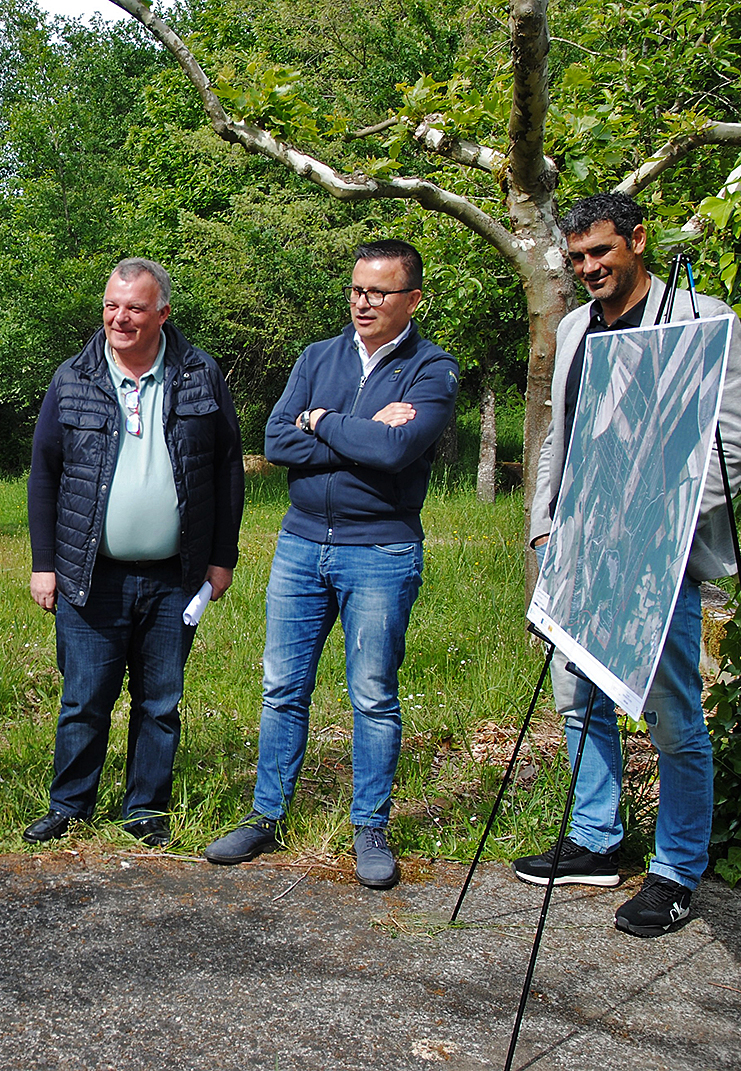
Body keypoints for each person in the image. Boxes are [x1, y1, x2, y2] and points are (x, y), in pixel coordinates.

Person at [515, 192, 741, 937]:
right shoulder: (578, 329)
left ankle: (678, 871)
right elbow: (561, 437)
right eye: (578, 256)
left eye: (601, 252)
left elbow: (736, 454)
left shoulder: (702, 320)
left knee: (675, 718)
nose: (590, 268)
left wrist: (648, 520)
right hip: (578, 555)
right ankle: (595, 837)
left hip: (662, 559)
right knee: (578, 701)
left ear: (638, 240)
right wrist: (545, 530)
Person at [205, 240, 456, 889]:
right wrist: (355, 428)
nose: (363, 302)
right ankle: (266, 815)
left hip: (381, 550)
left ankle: (369, 824)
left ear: (413, 299)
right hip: (299, 544)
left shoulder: (433, 369)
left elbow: (399, 449)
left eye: (379, 292)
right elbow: (276, 438)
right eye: (356, 290)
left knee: (372, 696)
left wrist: (322, 420)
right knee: (282, 688)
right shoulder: (318, 356)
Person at [23, 257, 243, 848]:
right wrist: (44, 564)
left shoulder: (200, 375)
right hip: (90, 574)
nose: (120, 318)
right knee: (83, 701)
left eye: (135, 308)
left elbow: (227, 470)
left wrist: (223, 558)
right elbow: (44, 475)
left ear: (162, 314)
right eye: (112, 305)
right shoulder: (74, 378)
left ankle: (146, 808)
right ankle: (70, 805)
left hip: (177, 575)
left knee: (160, 703)